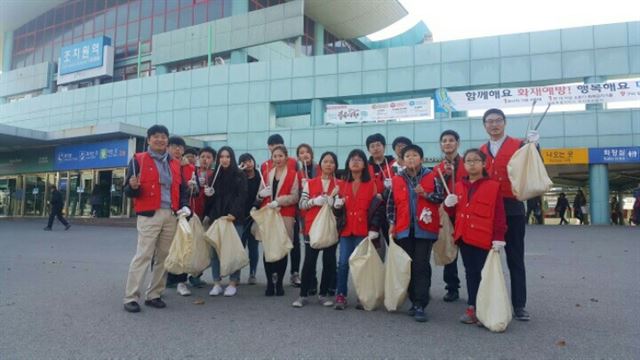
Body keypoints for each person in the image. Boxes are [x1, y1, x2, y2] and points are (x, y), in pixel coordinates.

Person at [122, 124, 190, 313]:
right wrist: (133, 186)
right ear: (149, 139)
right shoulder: (138, 160)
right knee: (143, 255)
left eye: (163, 136)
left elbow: (182, 188)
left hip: (171, 214)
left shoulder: (175, 163)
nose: (160, 139)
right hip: (149, 214)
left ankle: (154, 294)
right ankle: (131, 297)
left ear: (167, 141)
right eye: (156, 136)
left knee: (163, 257)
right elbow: (127, 190)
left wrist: (185, 206)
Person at [479, 108, 536, 321]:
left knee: (515, 258)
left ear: (505, 123)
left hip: (512, 207)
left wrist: (534, 147)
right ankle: (484, 302)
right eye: (490, 121)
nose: (494, 124)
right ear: (484, 125)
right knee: (484, 259)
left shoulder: (520, 145)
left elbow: (532, 162)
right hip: (487, 209)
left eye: (498, 120)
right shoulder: (480, 150)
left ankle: (519, 305)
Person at [443, 149, 507, 325]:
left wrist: (499, 237)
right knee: (471, 273)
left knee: (486, 275)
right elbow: (453, 212)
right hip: (464, 237)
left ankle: (488, 308)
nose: (472, 163)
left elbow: (499, 214)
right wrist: (448, 205)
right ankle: (473, 306)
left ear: (484, 164)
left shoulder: (493, 186)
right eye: (468, 161)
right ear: (463, 165)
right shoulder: (458, 186)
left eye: (476, 160)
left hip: (484, 238)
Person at [387, 144, 445, 322]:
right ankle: (413, 300)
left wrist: (425, 194)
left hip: (425, 229)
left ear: (421, 158)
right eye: (407, 156)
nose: (411, 158)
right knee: (409, 265)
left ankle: (420, 303)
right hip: (404, 229)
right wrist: (392, 223)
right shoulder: (397, 179)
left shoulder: (432, 175)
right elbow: (391, 205)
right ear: (402, 160)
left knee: (421, 264)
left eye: (414, 155)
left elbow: (440, 197)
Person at [333, 149, 385, 310]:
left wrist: (374, 228)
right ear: (348, 163)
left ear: (364, 164)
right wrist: (336, 206)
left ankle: (363, 296)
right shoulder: (342, 184)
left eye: (359, 159)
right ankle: (341, 295)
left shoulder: (372, 184)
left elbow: (377, 208)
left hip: (363, 231)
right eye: (352, 159)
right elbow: (337, 212)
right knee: (343, 264)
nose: (355, 161)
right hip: (347, 231)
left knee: (362, 265)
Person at [293, 151, 340, 308]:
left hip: (331, 227)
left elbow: (342, 208)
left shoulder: (339, 184)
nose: (328, 164)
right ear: (320, 164)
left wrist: (337, 204)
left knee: (329, 261)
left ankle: (323, 293)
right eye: (325, 161)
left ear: (335, 165)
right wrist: (314, 201)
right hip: (312, 226)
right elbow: (302, 204)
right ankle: (303, 294)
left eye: (332, 162)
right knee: (309, 262)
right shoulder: (310, 183)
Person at [257, 145, 300, 296]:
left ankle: (280, 283)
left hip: (285, 215)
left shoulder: (293, 174)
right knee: (268, 249)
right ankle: (270, 282)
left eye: (280, 156)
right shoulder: (267, 174)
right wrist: (262, 194)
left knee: (282, 249)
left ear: (286, 157)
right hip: (269, 215)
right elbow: (258, 196)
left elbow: (295, 196)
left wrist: (279, 201)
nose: (277, 159)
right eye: (275, 156)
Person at [205, 146, 247, 297]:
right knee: (215, 251)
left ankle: (233, 282)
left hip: (234, 219)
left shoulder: (239, 175)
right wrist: (208, 194)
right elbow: (211, 199)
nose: (224, 159)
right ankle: (217, 282)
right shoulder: (214, 176)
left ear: (232, 158)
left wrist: (233, 213)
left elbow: (241, 197)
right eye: (222, 157)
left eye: (228, 156)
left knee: (233, 251)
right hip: (218, 218)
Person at [432, 129, 466, 303]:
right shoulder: (437, 168)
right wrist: (443, 176)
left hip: (465, 213)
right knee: (448, 249)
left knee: (469, 252)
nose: (447, 143)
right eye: (444, 140)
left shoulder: (468, 162)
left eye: (451, 140)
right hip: (446, 213)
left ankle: (476, 287)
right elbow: (435, 191)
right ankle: (452, 287)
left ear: (458, 143)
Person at [166, 136, 197, 296]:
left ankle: (181, 281)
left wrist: (194, 187)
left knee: (183, 246)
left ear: (183, 150)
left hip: (184, 213)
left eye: (180, 147)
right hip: (166, 211)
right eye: (173, 146)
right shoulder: (164, 164)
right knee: (165, 248)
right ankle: (165, 278)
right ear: (168, 148)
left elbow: (195, 192)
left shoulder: (190, 168)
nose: (177, 149)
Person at [294, 143, 321, 289]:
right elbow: (296, 195)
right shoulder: (298, 173)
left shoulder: (320, 168)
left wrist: (312, 184)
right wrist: (301, 187)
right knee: (309, 249)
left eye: (307, 152)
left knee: (325, 246)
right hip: (306, 216)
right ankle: (311, 280)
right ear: (298, 157)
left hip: (321, 213)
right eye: (301, 153)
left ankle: (328, 283)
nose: (305, 155)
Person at [238, 153, 261, 284]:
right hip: (241, 216)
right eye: (245, 161)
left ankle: (252, 273)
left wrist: (256, 207)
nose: (248, 163)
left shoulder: (260, 176)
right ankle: (237, 273)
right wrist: (238, 174)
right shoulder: (240, 176)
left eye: (250, 160)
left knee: (253, 246)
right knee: (240, 245)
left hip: (255, 215)